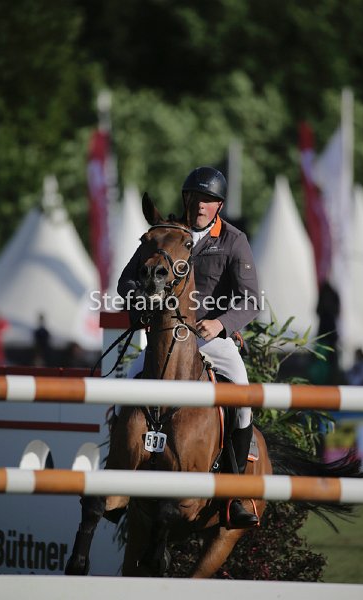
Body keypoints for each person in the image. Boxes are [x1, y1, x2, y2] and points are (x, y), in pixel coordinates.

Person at [117, 166, 260, 528]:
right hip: (167, 339)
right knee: (125, 389)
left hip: (212, 340)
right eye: (196, 198)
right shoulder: (167, 233)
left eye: (208, 200)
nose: (200, 205)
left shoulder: (233, 240)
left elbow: (251, 301)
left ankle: (234, 494)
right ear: (186, 200)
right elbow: (126, 281)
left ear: (219, 205)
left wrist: (221, 324)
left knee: (243, 400)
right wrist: (139, 301)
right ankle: (116, 477)